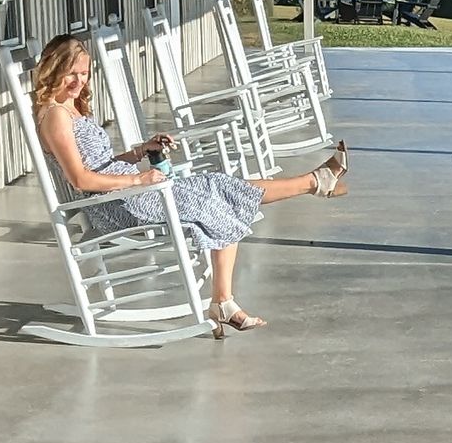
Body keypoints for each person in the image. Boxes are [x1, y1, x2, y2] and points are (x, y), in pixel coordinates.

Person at [30, 34, 347, 337]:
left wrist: (141, 151)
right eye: (72, 73)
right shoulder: (56, 116)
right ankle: (315, 183)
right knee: (216, 195)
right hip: (113, 205)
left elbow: (97, 162)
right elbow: (81, 179)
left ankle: (313, 185)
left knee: (219, 188)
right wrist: (138, 178)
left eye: (84, 74)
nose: (79, 81)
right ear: (53, 69)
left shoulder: (70, 107)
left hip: (125, 191)